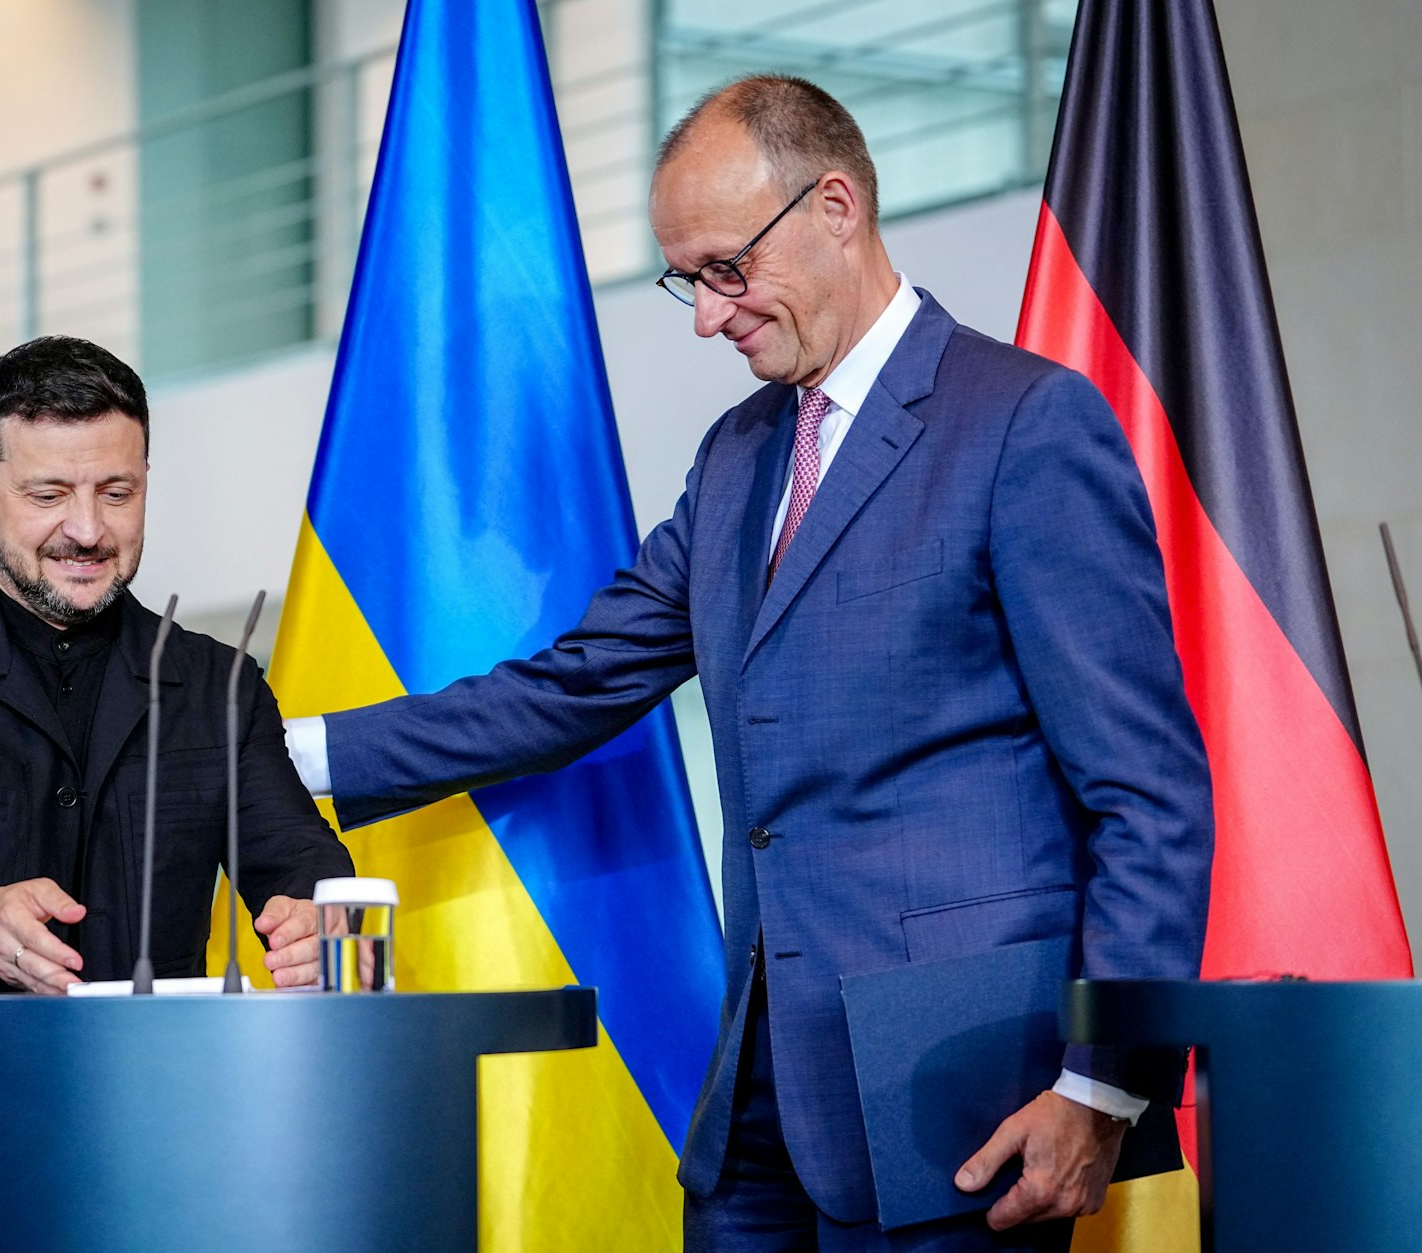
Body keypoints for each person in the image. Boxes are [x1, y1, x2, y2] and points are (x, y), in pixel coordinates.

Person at [284, 76, 1213, 1251]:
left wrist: (1101, 1088)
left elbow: (1146, 793)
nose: (705, 315)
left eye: (724, 268)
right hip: (757, 1100)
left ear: (834, 205)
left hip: (963, 1099)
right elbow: (574, 681)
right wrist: (283, 751)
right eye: (689, 277)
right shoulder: (735, 456)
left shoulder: (1025, 424)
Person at [0, 336, 353, 1250]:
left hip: (154, 1153)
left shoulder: (221, 684)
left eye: (115, 493)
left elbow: (299, 856)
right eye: (48, 494)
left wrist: (318, 914)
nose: (86, 529)